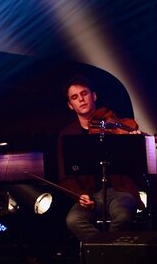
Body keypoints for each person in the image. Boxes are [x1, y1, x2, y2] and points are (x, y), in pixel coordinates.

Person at [57, 75, 143, 242]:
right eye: (75, 97)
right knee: (73, 220)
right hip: (91, 195)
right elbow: (65, 177)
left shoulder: (111, 124)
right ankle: (104, 249)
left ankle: (104, 254)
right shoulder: (67, 135)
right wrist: (79, 195)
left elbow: (134, 164)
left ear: (93, 96)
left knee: (123, 215)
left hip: (120, 191)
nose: (81, 99)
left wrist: (134, 142)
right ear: (70, 105)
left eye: (84, 94)